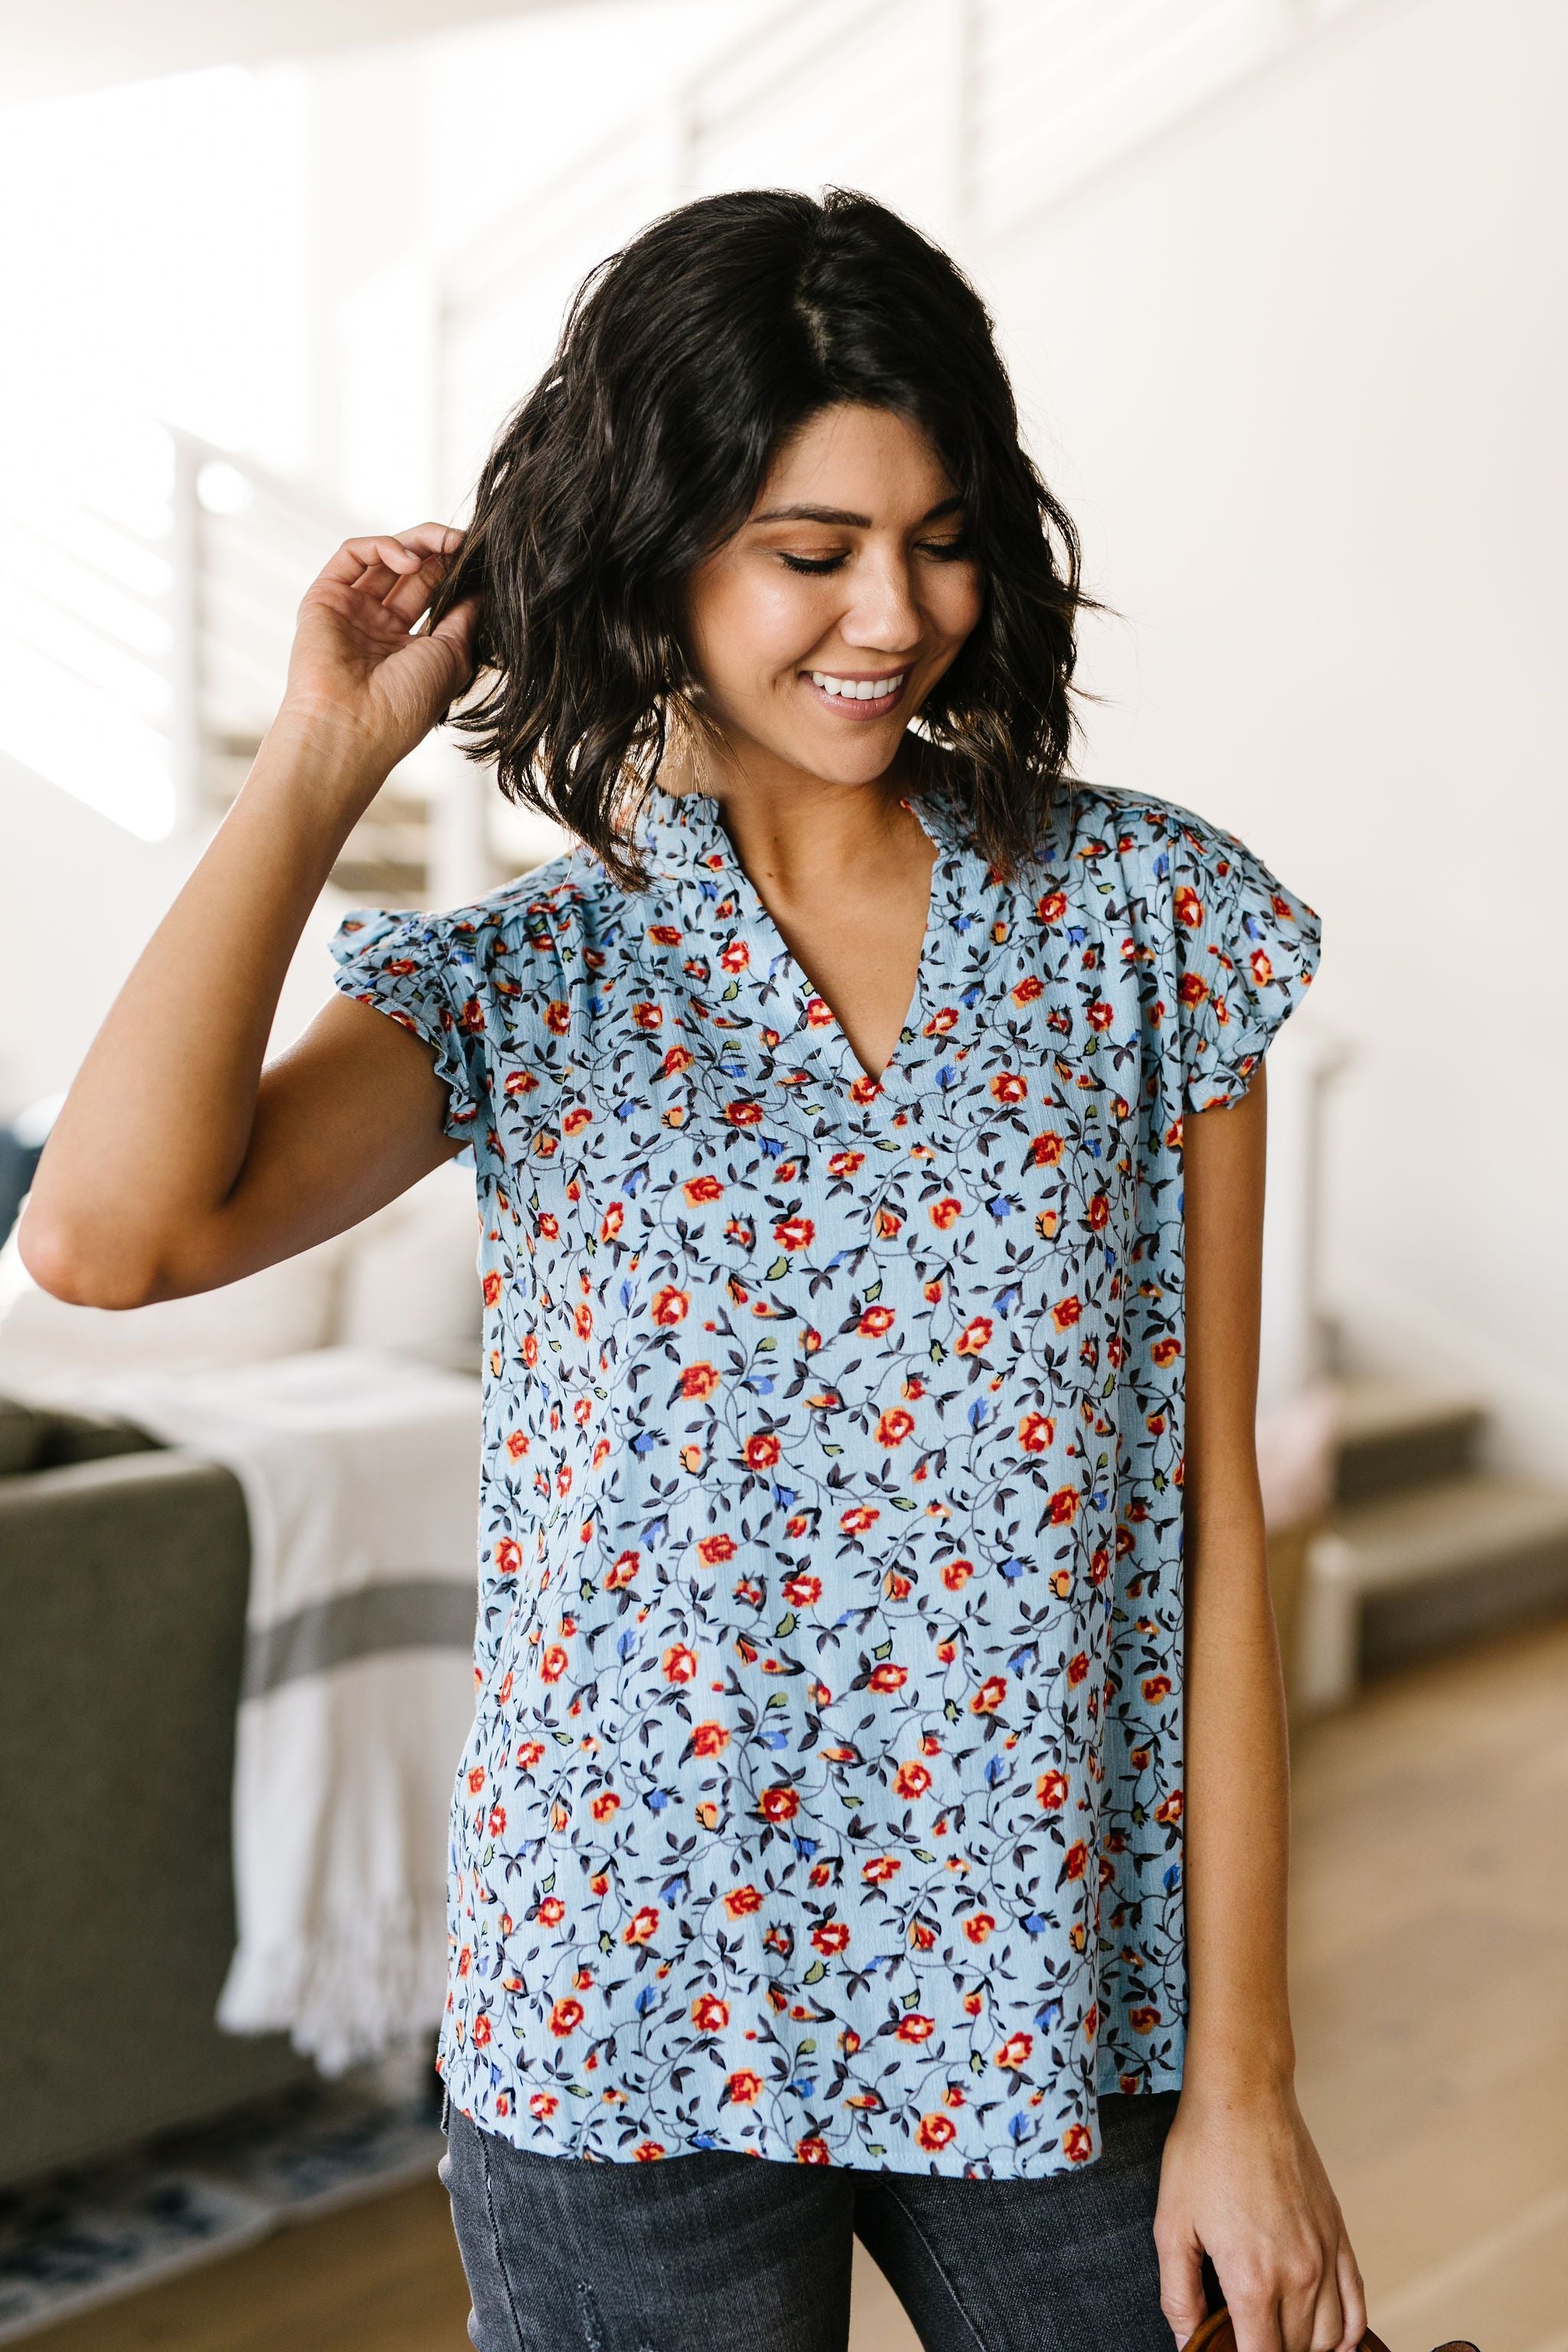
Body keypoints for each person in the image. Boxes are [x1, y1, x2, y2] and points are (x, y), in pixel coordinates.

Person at [20, 189, 1365, 2352]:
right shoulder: (531, 981)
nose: (891, 613)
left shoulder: (1153, 927)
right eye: (808, 548)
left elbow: (1214, 1520)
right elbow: (100, 1237)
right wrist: (320, 758)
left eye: (936, 540)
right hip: (622, 2019)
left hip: (1053, 2000)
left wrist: (1252, 2080)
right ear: (662, 546)